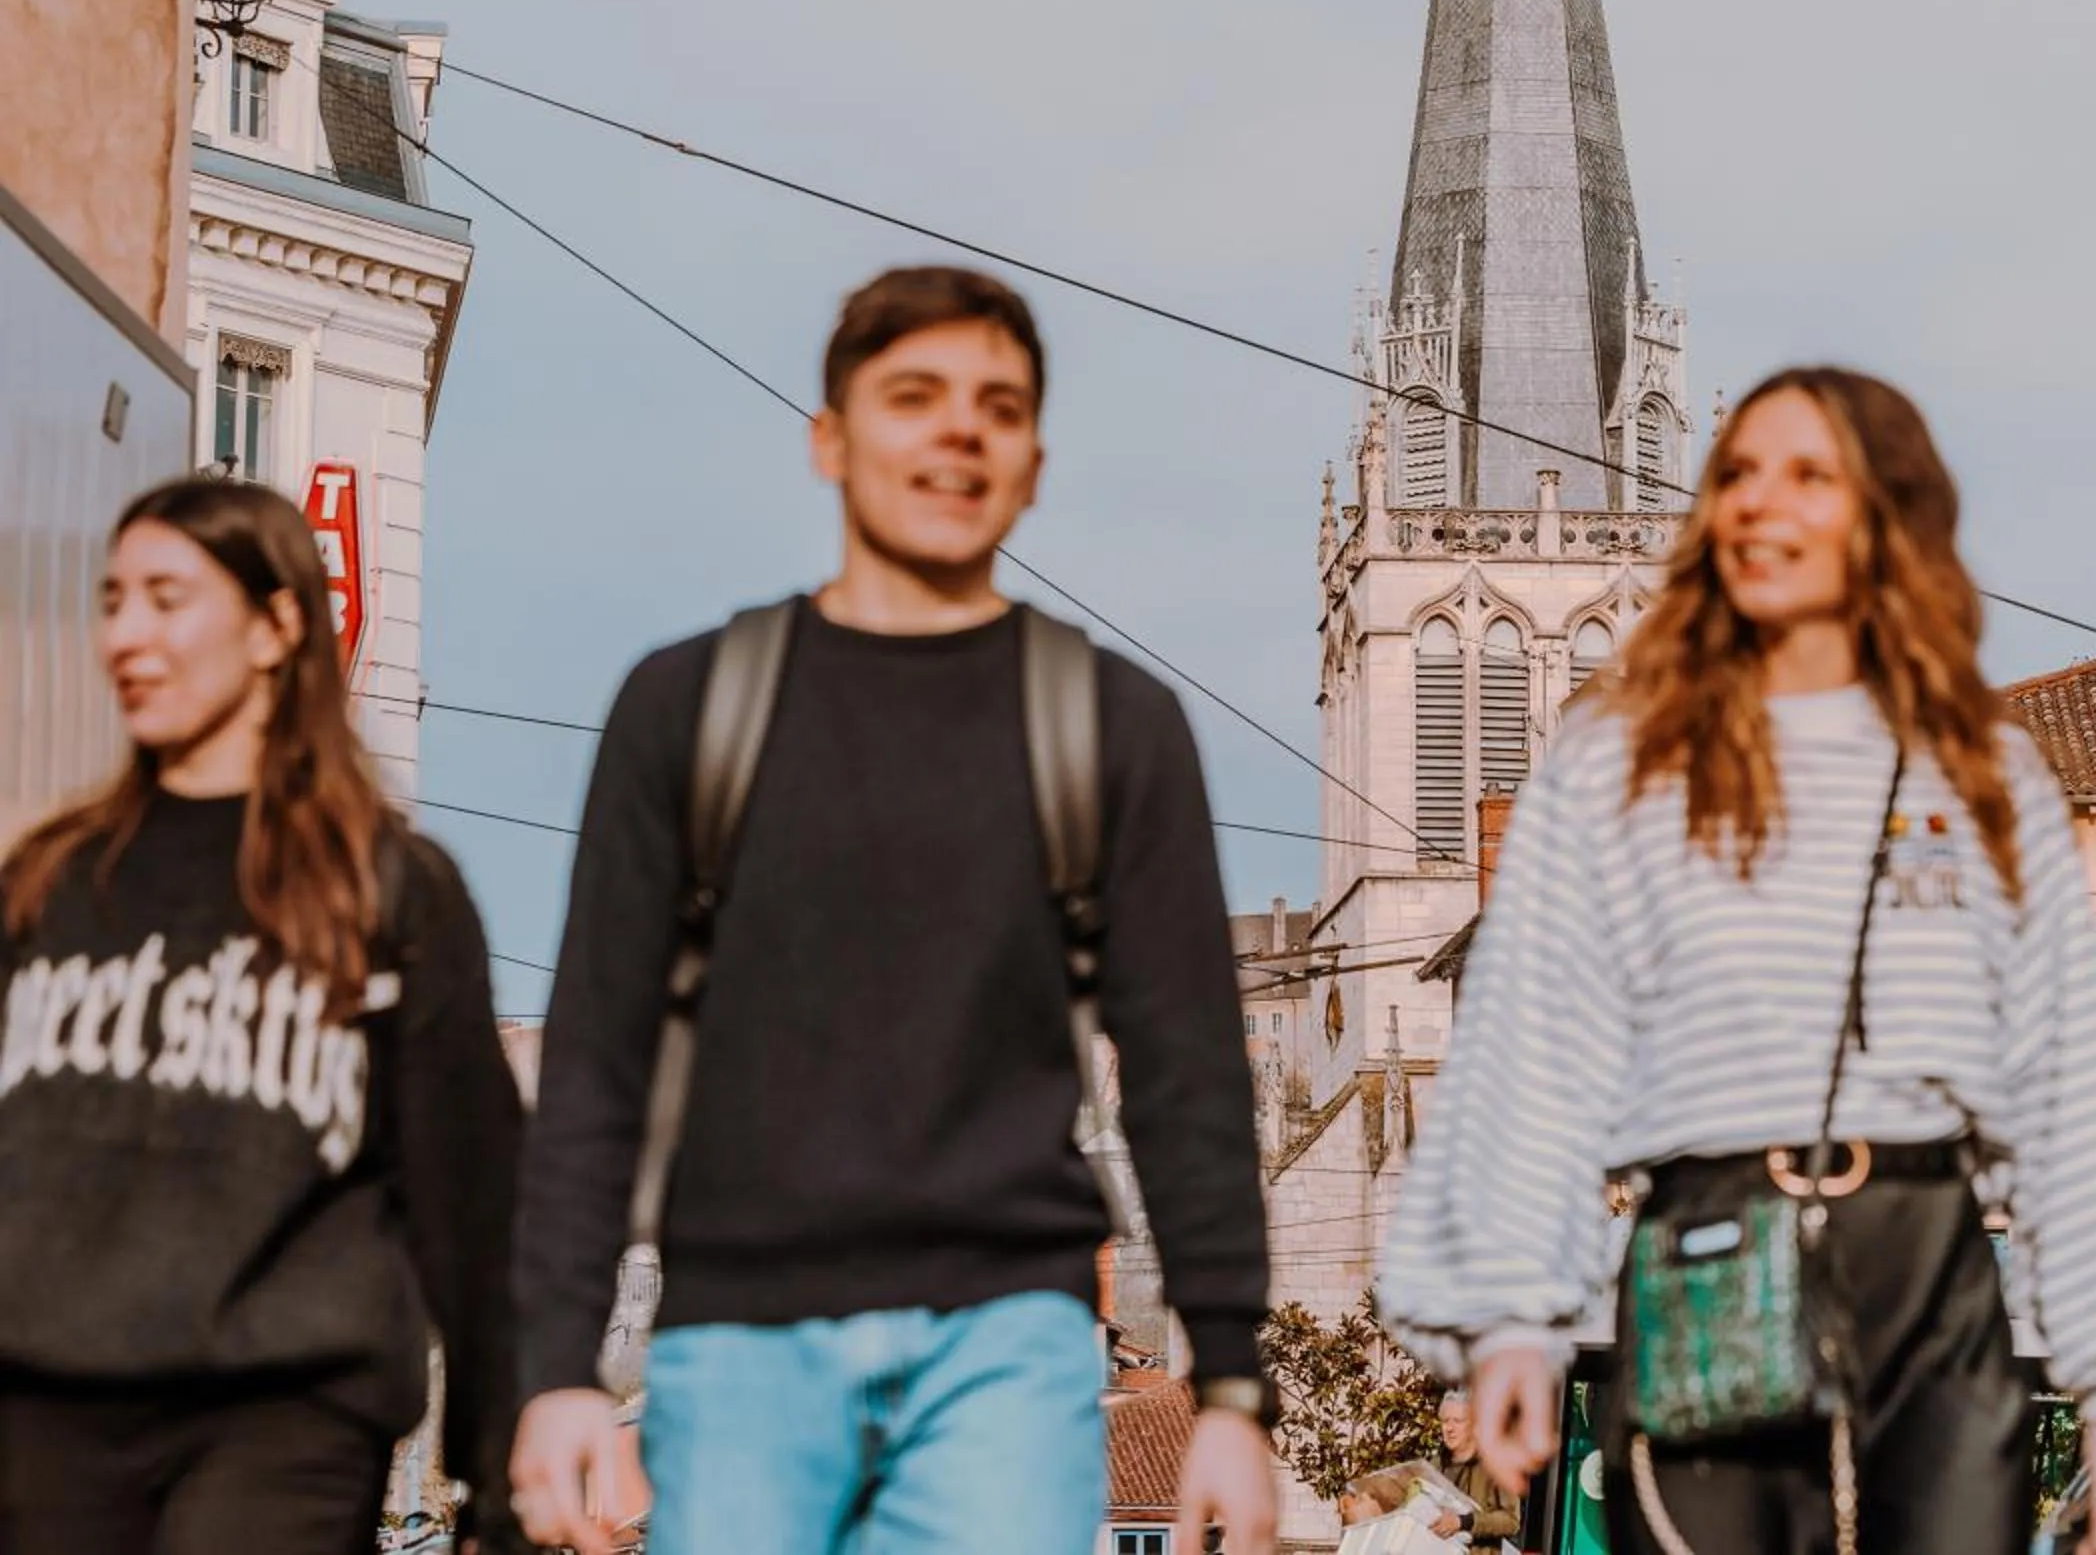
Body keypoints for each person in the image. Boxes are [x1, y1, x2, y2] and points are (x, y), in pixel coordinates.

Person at [508, 264, 1276, 1555]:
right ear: (829, 440)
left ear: (1032, 461)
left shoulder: (1112, 731)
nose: (959, 429)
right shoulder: (688, 713)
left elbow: (1192, 1073)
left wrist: (1236, 1390)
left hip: (1008, 1354)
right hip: (739, 1344)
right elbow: (596, 1066)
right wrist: (556, 1365)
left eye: (999, 405)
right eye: (914, 395)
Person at [1379, 366, 2096, 1555]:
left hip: (1928, 1267)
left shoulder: (1976, 768)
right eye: (1740, 475)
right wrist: (1510, 1315)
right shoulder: (1616, 760)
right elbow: (1532, 1053)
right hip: (1709, 1253)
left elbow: (2068, 1083)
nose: (1762, 503)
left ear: (1884, 514)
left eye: (1808, 474)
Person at [0, 477, 530, 1554]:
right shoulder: (51, 880)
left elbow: (473, 1197)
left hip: (284, 1411)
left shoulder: (389, 890)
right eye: (113, 600)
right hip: (47, 1404)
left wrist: (494, 1479)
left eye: (165, 596)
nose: (125, 635)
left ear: (275, 625)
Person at [1435, 1389, 1524, 1547]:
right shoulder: (1435, 1465)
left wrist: (1464, 1522)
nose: (1449, 1428)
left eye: (1457, 1421)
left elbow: (1512, 1521)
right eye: (1445, 1421)